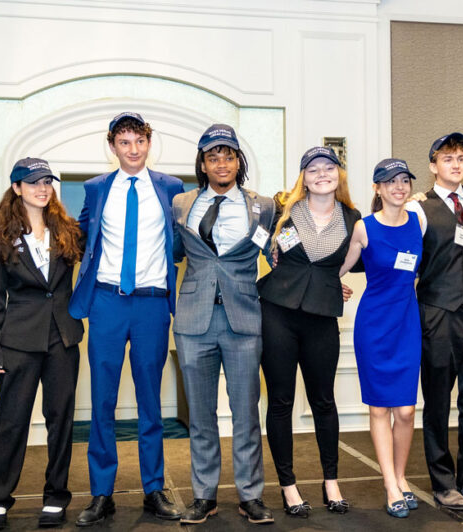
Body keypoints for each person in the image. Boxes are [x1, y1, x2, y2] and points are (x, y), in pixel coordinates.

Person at [68, 112, 185, 525]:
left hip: (153, 303)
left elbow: (185, 241)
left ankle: (154, 489)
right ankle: (102, 494)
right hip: (106, 302)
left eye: (139, 141)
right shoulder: (97, 188)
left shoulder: (171, 188)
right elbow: (79, 238)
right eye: (124, 142)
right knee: (102, 399)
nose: (133, 149)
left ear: (148, 144)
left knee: (151, 400)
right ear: (112, 146)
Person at [172, 124, 277, 525]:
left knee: (246, 414)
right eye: (213, 157)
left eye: (228, 156)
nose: (221, 163)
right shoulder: (181, 204)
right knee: (200, 416)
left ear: (238, 162)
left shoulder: (263, 206)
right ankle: (204, 496)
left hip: (244, 320)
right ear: (203, 163)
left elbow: (281, 257)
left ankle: (251, 496)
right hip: (193, 320)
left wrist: (325, 283)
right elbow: (171, 252)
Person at [0, 158, 84, 530]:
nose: (43, 188)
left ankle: (56, 496)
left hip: (62, 339)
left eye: (47, 182)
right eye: (33, 182)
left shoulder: (68, 231)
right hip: (18, 342)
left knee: (61, 421)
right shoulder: (1, 237)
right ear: (17, 188)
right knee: (11, 422)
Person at [258, 146, 361, 518]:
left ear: (339, 175)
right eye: (313, 168)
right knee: (282, 401)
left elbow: (366, 258)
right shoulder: (281, 211)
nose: (322, 173)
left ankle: (330, 481)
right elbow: (258, 251)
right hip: (277, 313)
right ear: (304, 176)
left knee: (323, 401)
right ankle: (288, 487)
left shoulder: (354, 218)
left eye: (329, 167)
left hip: (322, 317)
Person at [405, 133, 463, 510]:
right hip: (438, 313)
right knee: (438, 402)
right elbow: (407, 260)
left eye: (461, 158)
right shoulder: (418, 207)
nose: (456, 164)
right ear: (432, 166)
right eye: (447, 158)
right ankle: (442, 482)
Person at [340, 158, 423, 518]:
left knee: (405, 411)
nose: (399, 187)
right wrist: (333, 286)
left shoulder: (418, 221)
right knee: (380, 408)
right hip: (374, 325)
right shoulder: (364, 227)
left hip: (407, 322)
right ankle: (390, 484)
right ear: (377, 188)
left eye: (404, 180)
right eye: (390, 181)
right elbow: (335, 268)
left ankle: (401, 477)